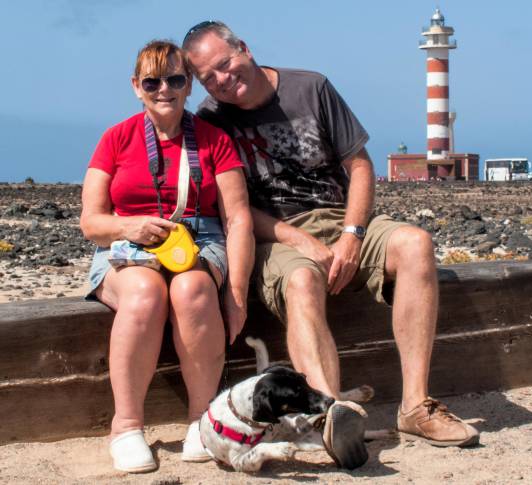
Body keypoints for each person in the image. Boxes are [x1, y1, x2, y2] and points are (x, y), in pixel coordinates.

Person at [181, 20, 480, 466]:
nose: (222, 80)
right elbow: (235, 209)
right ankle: (328, 418)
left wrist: (352, 235)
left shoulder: (311, 87)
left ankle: (416, 406)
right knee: (302, 280)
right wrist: (299, 239)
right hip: (276, 234)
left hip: (343, 218)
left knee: (416, 243)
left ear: (243, 48)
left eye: (225, 64)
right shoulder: (210, 120)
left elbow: (359, 166)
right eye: (208, 77)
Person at [80, 39, 253, 473]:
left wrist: (236, 294)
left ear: (189, 84)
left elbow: (237, 220)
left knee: (193, 290)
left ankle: (202, 419)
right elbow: (92, 223)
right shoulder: (115, 138)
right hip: (127, 242)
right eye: (152, 82)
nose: (164, 90)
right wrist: (130, 226)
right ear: (136, 86)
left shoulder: (215, 141)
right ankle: (126, 426)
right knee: (144, 293)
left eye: (175, 80)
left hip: (199, 238)